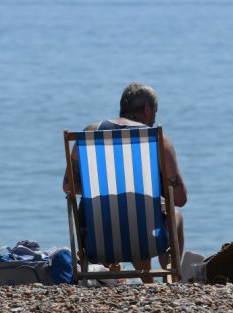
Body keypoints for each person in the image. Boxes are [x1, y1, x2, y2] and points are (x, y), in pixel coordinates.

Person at [62, 82, 187, 283]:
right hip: (147, 242)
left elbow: (68, 186)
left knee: (126, 212)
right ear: (147, 109)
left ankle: (148, 283)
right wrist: (151, 196)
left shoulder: (90, 133)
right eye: (155, 112)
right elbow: (180, 199)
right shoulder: (158, 140)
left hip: (97, 241)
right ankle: (169, 281)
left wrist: (108, 191)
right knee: (168, 214)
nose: (154, 119)